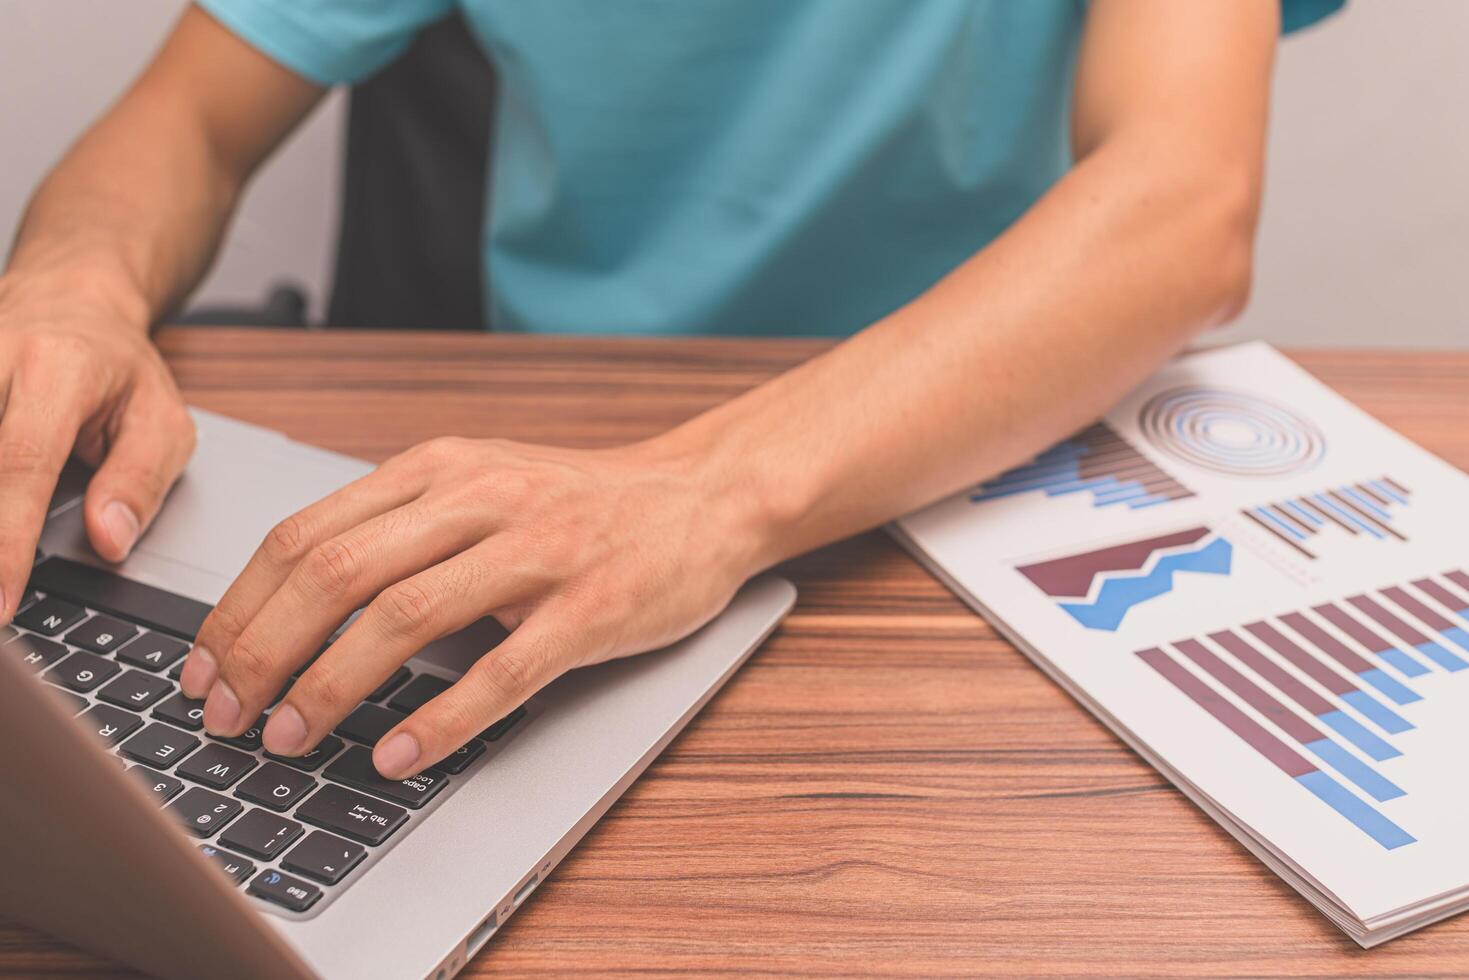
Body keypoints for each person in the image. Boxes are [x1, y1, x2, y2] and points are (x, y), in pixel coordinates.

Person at [0, 0, 1340, 779]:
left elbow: (1182, 205)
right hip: (552, 473)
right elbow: (183, 119)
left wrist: (703, 494)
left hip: (983, 475)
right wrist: (72, 286)